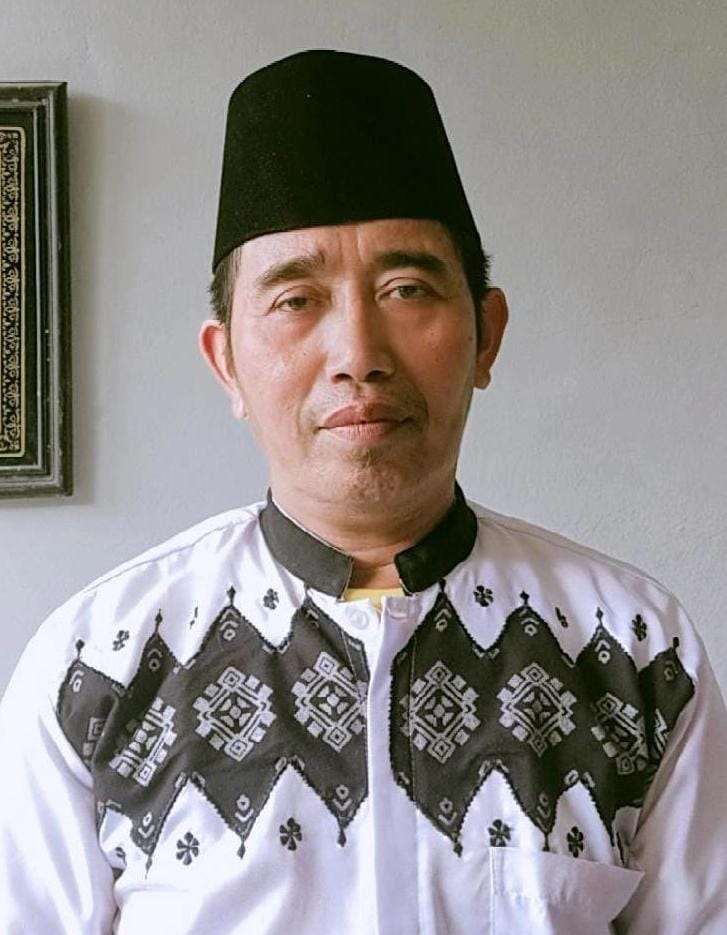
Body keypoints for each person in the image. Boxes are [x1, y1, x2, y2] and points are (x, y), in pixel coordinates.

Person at [1, 49, 725, 935]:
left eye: (406, 288)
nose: (358, 353)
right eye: (295, 299)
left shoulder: (633, 649)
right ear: (226, 363)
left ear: (486, 334)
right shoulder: (97, 663)